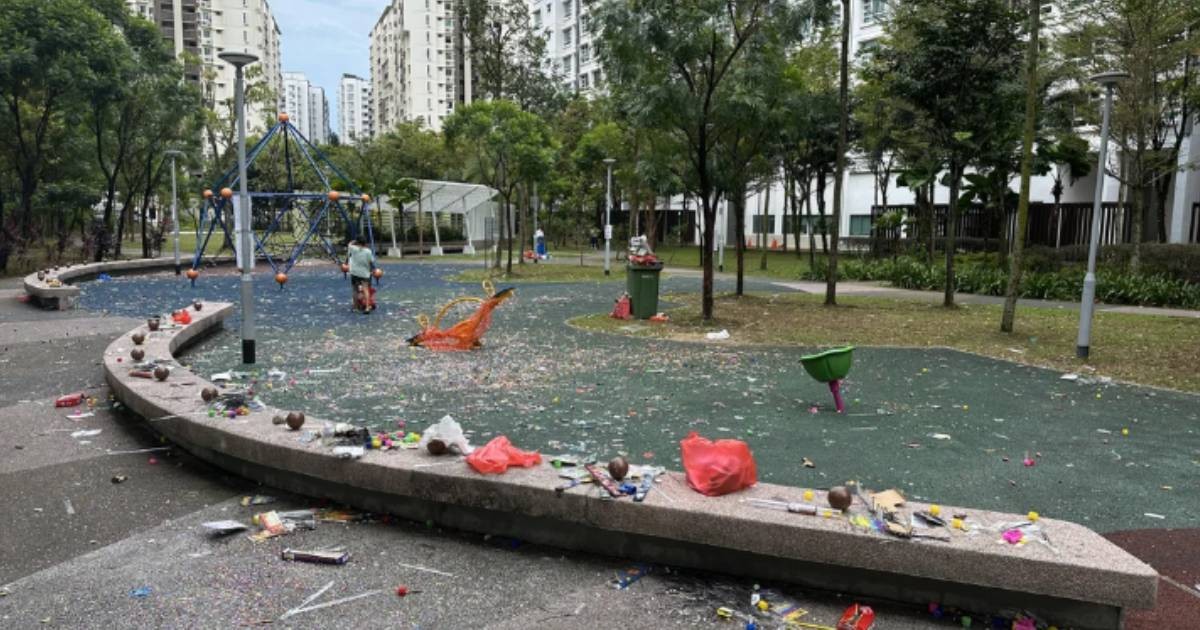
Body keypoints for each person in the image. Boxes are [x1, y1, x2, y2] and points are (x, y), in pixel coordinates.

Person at [347, 238, 376, 313]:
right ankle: (367, 307)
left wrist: (354, 241)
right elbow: (371, 262)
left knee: (355, 289)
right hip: (364, 273)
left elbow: (349, 244)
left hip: (355, 272)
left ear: (357, 243)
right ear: (365, 244)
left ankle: (355, 307)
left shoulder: (353, 248)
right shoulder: (368, 251)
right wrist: (373, 269)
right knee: (366, 289)